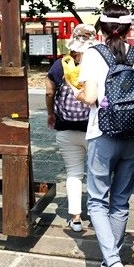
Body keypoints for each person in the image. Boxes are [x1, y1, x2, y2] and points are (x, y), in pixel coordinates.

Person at [73, 4, 134, 267]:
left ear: (101, 29)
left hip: (103, 135)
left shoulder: (94, 54)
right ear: (129, 30)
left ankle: (114, 262)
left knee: (96, 202)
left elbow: (91, 97)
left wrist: (78, 92)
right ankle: (109, 265)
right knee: (120, 201)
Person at [45, 23, 98, 233]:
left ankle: (75, 219)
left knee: (74, 174)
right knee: (97, 174)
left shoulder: (60, 65)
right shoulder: (99, 64)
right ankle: (97, 216)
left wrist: (51, 113)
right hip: (94, 129)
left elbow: (49, 93)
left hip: (65, 128)